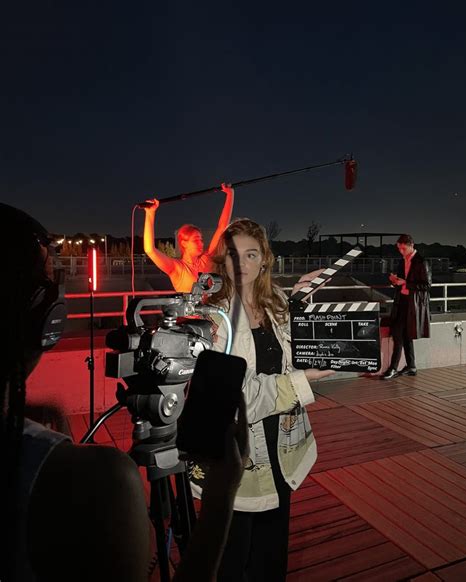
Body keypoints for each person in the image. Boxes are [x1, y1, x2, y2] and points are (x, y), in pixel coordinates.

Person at [0, 203, 248, 582]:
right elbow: (150, 249)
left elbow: (218, 230)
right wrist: (221, 495)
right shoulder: (103, 480)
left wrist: (228, 197)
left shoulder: (205, 266)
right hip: (176, 347)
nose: (200, 242)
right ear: (41, 319)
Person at [188, 218, 335, 582]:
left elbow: (294, 351)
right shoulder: (213, 319)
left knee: (271, 560)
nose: (242, 265)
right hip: (238, 460)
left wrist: (302, 297)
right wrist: (303, 381)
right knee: (233, 561)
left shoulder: (277, 303)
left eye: (251, 254)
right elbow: (240, 399)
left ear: (265, 259)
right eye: (233, 256)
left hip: (282, 451)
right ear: (222, 262)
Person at [143, 183, 234, 292]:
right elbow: (150, 250)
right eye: (196, 240)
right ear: (184, 243)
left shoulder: (206, 259)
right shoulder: (177, 268)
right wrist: (150, 214)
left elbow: (222, 227)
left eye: (201, 240)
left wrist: (230, 195)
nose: (201, 243)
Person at [382, 234, 431, 380]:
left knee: (398, 335)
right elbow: (402, 280)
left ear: (411, 245)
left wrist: (404, 283)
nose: (401, 251)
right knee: (406, 334)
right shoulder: (403, 261)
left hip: (412, 304)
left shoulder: (421, 262)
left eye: (403, 248)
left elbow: (427, 285)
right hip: (402, 301)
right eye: (399, 249)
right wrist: (394, 280)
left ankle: (393, 368)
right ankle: (411, 366)